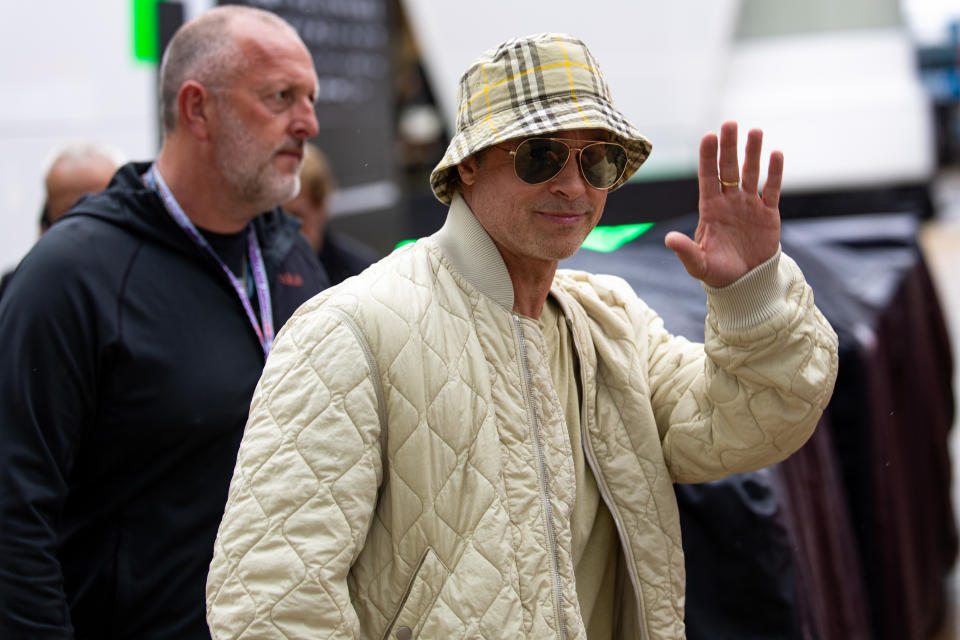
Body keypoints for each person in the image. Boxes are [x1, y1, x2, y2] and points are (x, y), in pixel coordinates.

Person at [206, 33, 839, 639]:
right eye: (540, 155)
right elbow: (271, 605)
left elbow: (746, 426)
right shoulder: (349, 329)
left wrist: (751, 292)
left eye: (598, 159)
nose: (573, 184)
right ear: (470, 166)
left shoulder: (607, 319)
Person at [0, 6, 328, 639]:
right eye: (280, 96)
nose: (308, 122)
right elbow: (14, 518)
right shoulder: (73, 275)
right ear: (197, 108)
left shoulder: (289, 258)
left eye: (309, 98)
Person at [0, 144, 121, 300]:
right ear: (45, 222)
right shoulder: (18, 290)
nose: (88, 227)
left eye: (101, 209)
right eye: (73, 212)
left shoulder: (143, 280)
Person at [283, 142, 379, 284]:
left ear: (321, 207)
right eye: (273, 217)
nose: (284, 228)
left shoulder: (361, 275)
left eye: (296, 216)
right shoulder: (260, 268)